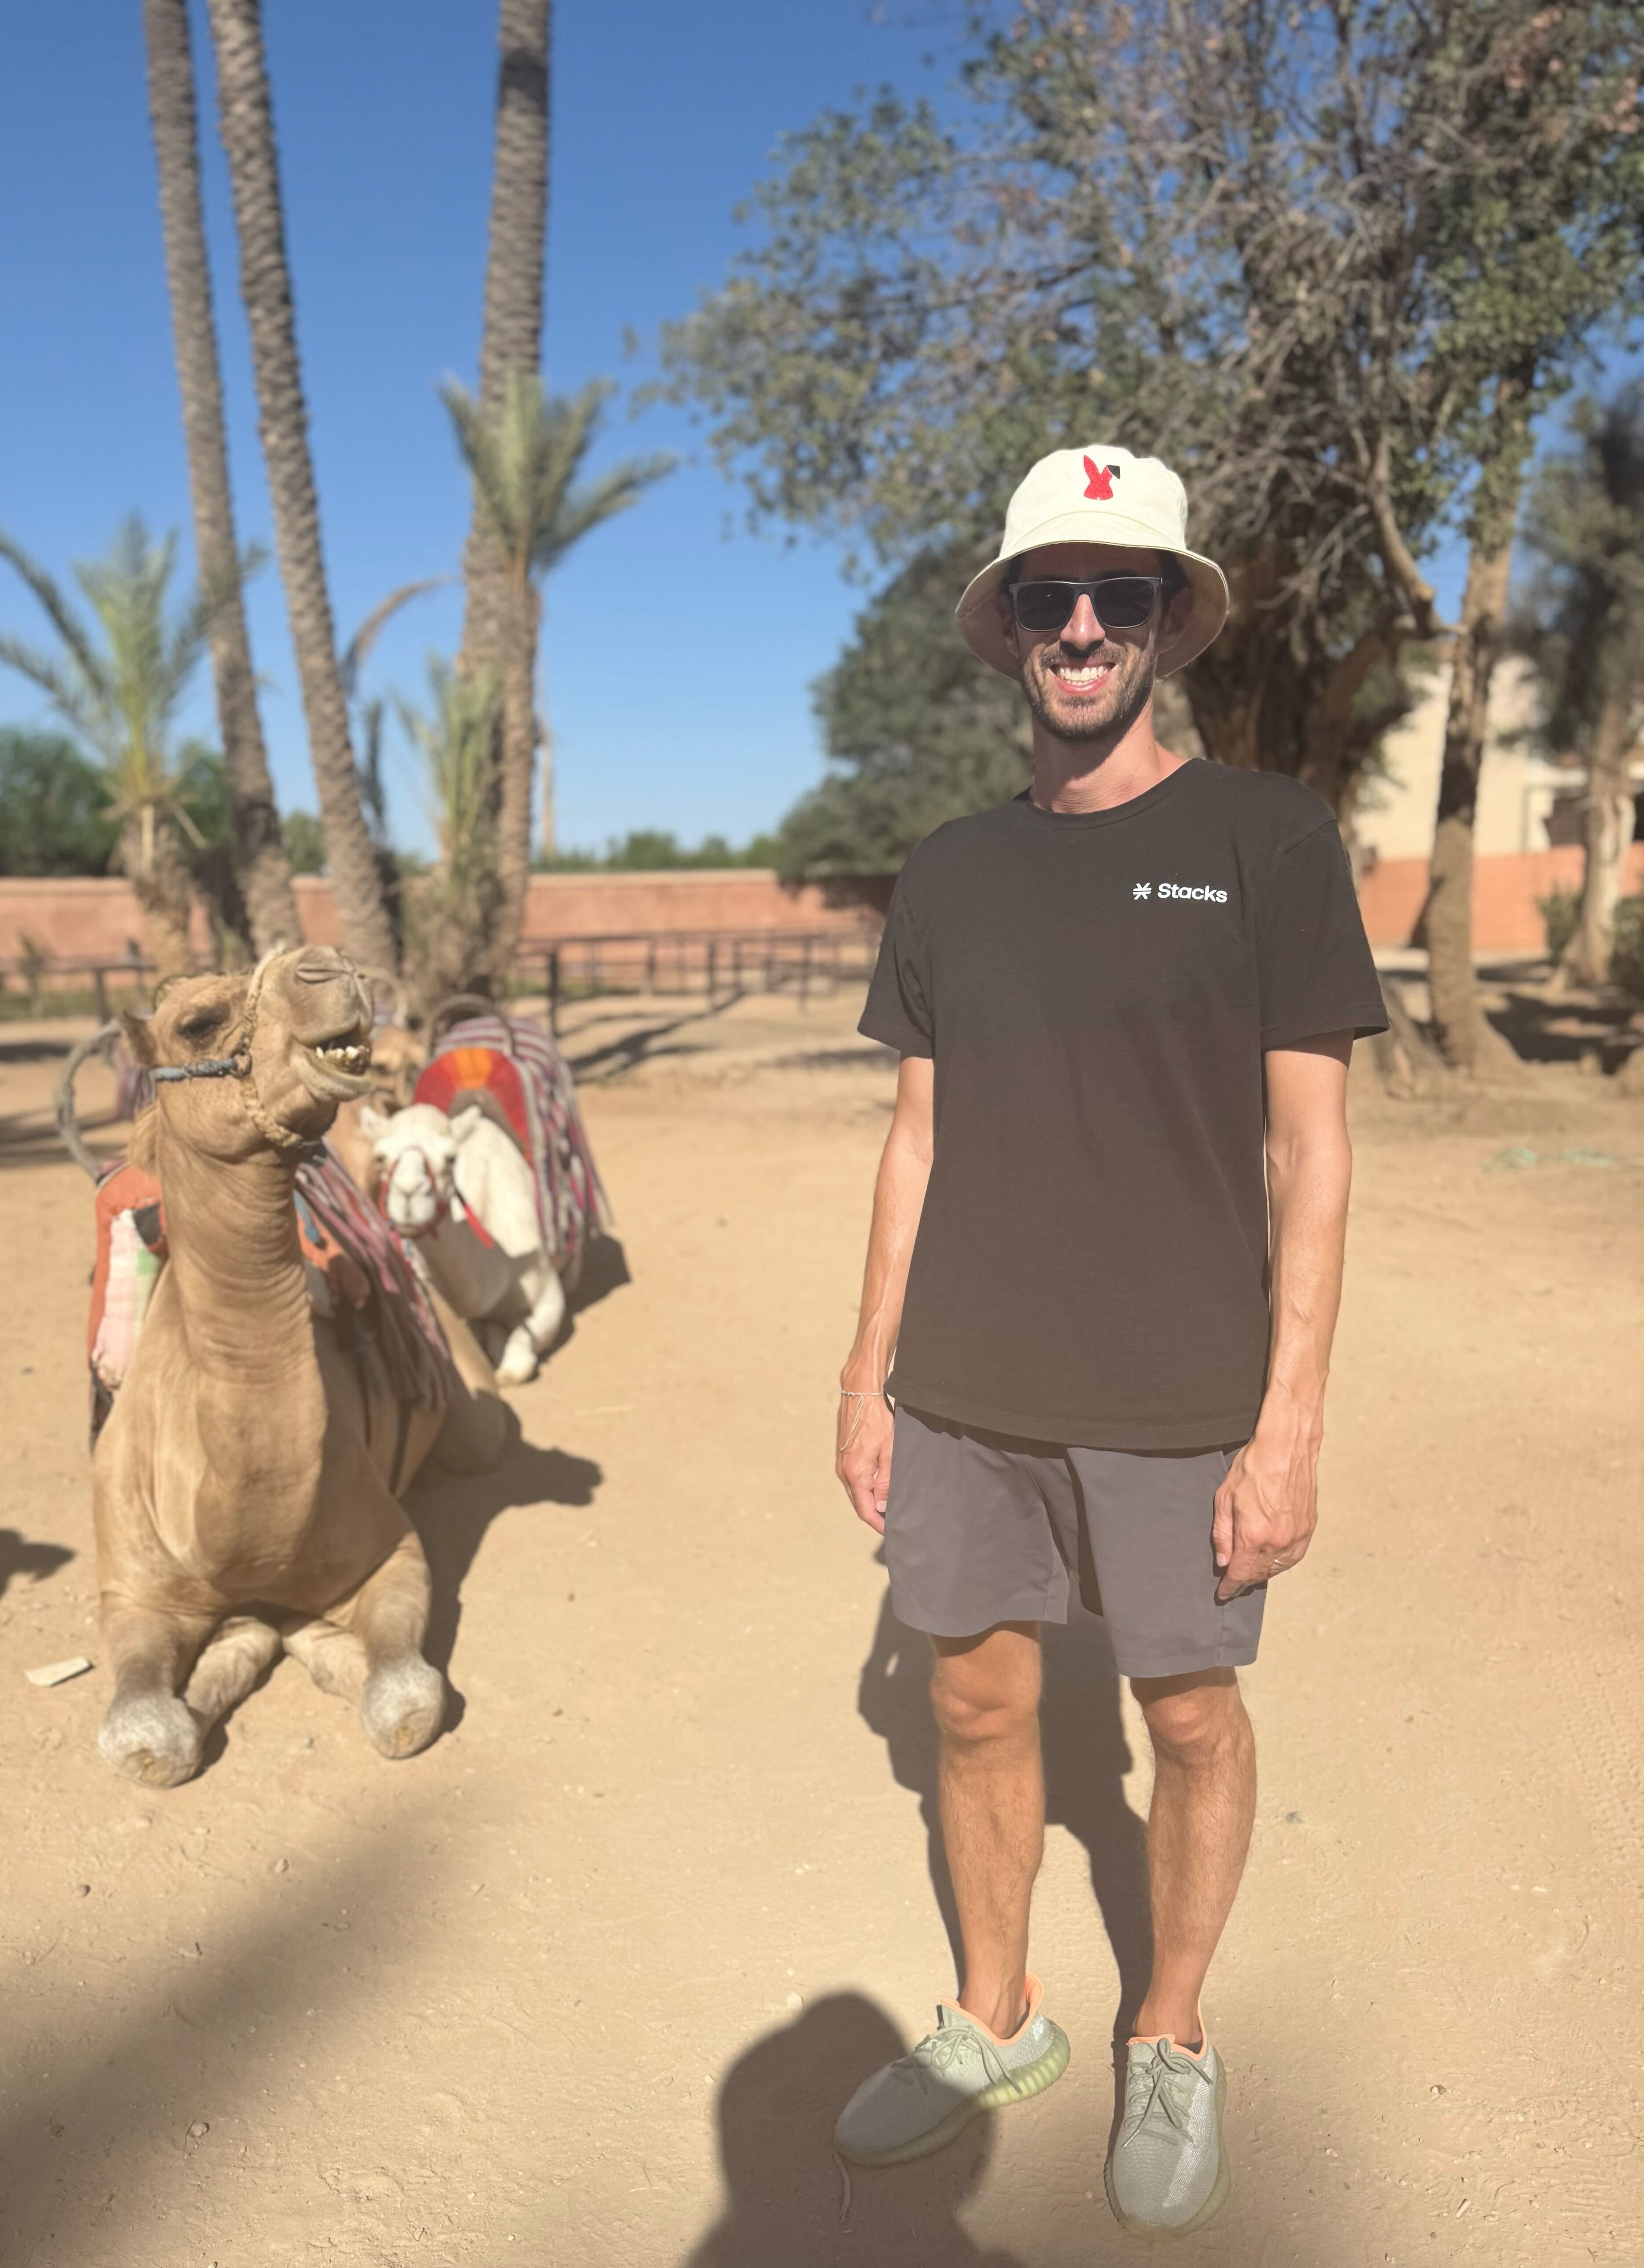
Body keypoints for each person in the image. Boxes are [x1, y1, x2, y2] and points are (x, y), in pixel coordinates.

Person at [830, 446, 1387, 2237]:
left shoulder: (1268, 841)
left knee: (1188, 1714)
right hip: (969, 1385)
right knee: (976, 1701)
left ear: (1164, 624)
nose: (1084, 624)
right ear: (1010, 631)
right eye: (1054, 595)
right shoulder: (954, 870)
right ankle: (997, 2017)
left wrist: (1290, 1418)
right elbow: (918, 1136)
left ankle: (1172, 2023)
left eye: (1121, 594)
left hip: (1179, 1387)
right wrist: (865, 1373)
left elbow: (1313, 1148)